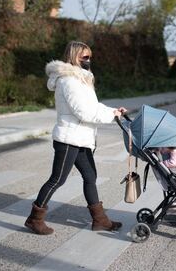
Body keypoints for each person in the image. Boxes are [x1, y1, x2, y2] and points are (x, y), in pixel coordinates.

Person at [25, 41, 126, 235]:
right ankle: (34, 219)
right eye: (84, 57)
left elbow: (94, 107)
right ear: (73, 57)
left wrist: (113, 111)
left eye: (90, 57)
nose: (89, 60)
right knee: (57, 179)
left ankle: (100, 220)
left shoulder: (82, 79)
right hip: (69, 138)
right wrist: (110, 116)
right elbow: (83, 112)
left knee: (90, 176)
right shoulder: (69, 80)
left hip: (81, 138)